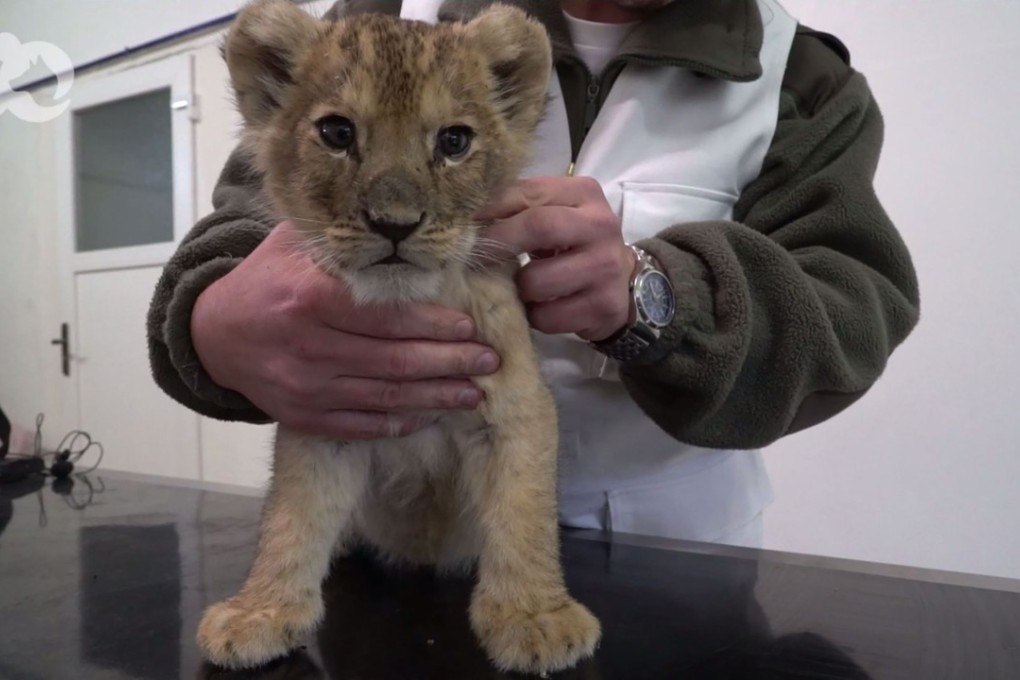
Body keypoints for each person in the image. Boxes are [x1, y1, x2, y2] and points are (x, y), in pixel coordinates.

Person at [147, 0, 920, 548]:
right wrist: (209, 324)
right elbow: (247, 224)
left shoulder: (803, 79)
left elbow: (851, 317)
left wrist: (659, 297)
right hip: (389, 537)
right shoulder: (379, 17)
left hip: (670, 551)